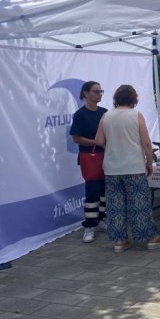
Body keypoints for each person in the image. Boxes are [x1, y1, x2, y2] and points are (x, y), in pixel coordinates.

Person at [94, 85, 160, 253]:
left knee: (115, 205)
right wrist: (149, 162)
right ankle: (149, 238)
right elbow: (146, 142)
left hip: (112, 167)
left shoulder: (106, 116)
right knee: (139, 204)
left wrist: (113, 144)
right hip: (134, 167)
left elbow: (99, 140)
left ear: (116, 98)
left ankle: (120, 242)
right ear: (133, 99)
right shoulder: (136, 115)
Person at [69, 81, 108, 243]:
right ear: (86, 94)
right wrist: (96, 142)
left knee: (105, 192)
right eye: (96, 91)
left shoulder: (105, 112)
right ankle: (89, 225)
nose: (99, 94)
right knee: (92, 192)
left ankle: (101, 220)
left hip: (107, 156)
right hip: (90, 158)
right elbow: (76, 138)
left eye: (101, 91)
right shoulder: (80, 115)